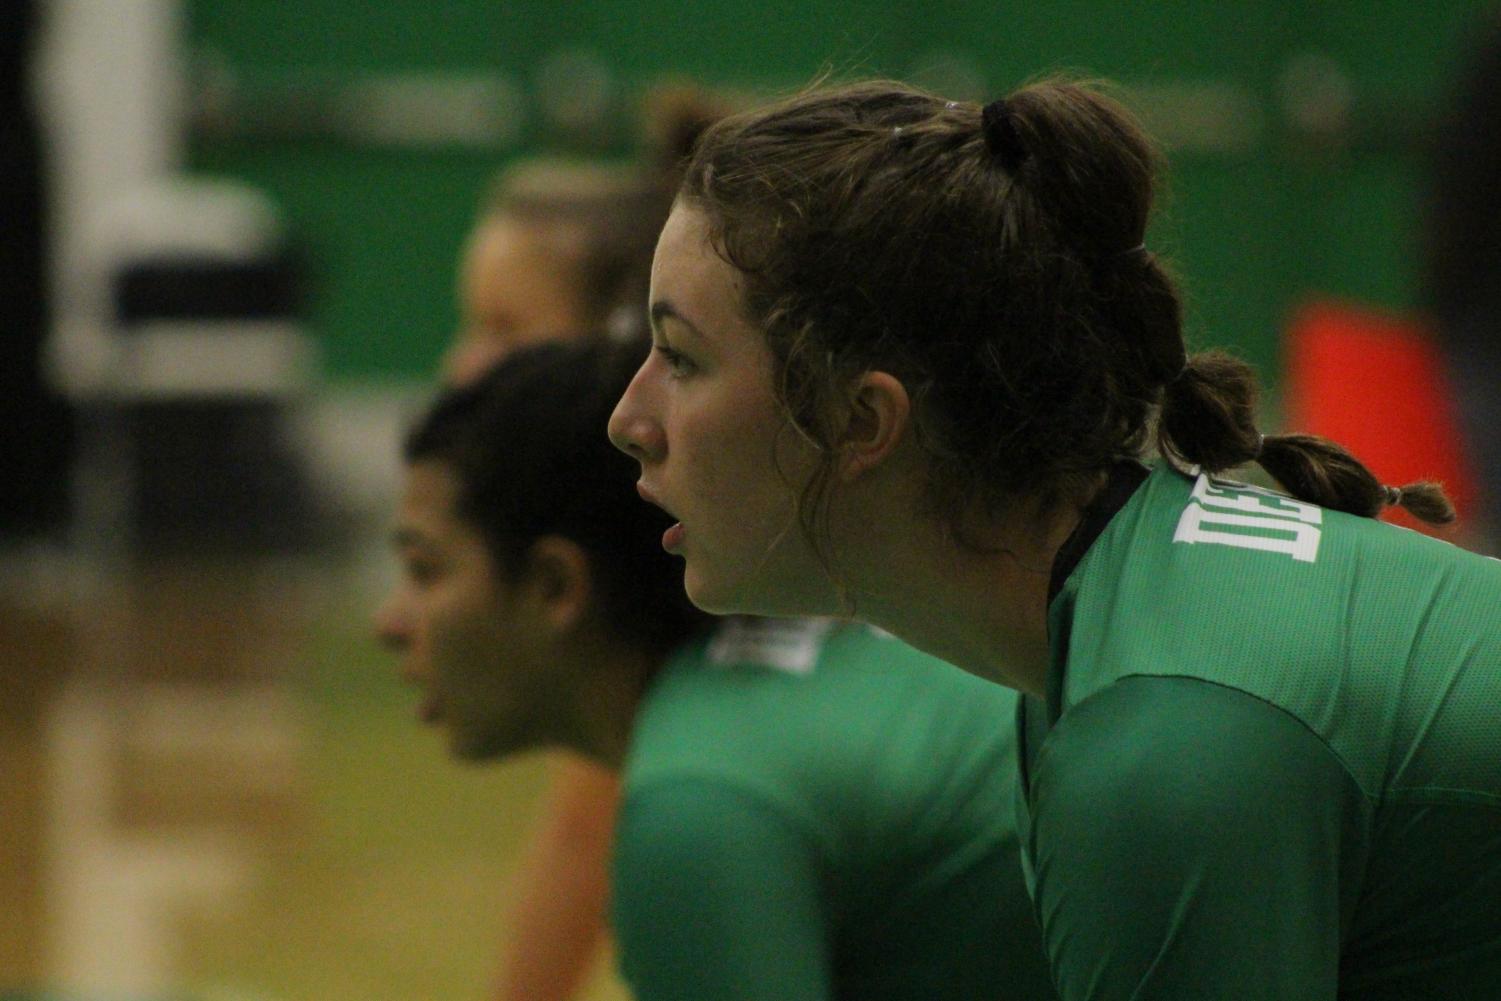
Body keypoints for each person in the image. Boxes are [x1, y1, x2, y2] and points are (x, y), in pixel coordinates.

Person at [607, 77, 1501, 999]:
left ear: (859, 420)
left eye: (680, 357)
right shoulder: (1121, 640)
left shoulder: (1158, 740)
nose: (627, 417)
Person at [374, 338, 1058, 1001]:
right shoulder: (846, 654)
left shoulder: (697, 798)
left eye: (424, 569)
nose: (390, 623)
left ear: (556, 585)